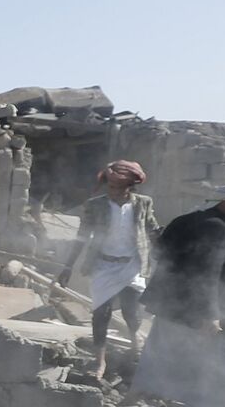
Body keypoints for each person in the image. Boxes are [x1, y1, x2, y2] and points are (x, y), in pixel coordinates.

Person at [133, 183, 225, 407]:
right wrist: (210, 314)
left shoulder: (186, 220)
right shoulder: (217, 228)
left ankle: (135, 396)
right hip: (207, 309)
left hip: (173, 304)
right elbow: (207, 270)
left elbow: (160, 251)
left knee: (159, 351)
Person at [58, 160, 159, 379]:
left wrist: (168, 253)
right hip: (103, 265)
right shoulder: (95, 205)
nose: (112, 191)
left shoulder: (143, 204)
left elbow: (152, 230)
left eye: (118, 187)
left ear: (129, 187)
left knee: (131, 312)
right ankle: (99, 361)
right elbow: (81, 237)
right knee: (100, 315)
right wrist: (68, 266)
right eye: (110, 187)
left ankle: (136, 347)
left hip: (132, 265)